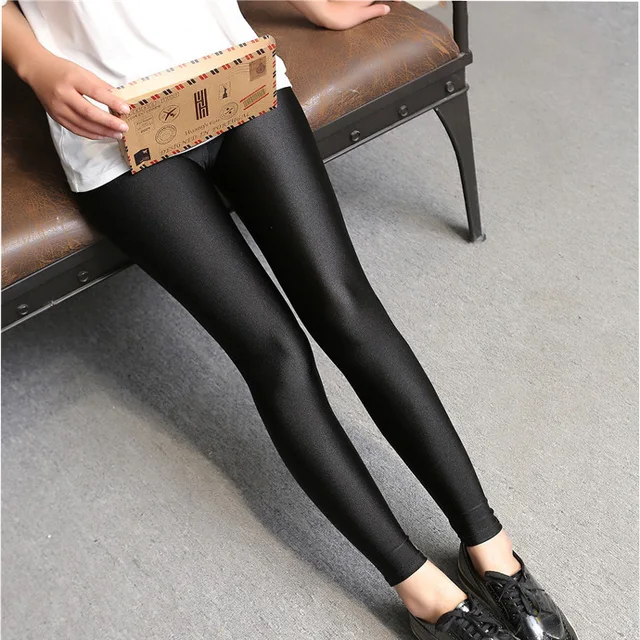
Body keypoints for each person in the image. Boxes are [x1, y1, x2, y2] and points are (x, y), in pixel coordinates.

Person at [2, 2, 578, 639]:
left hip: (235, 74)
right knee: (276, 355)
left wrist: (311, 3)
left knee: (347, 307)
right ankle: (422, 592)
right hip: (112, 128)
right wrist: (35, 66)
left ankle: (493, 550)